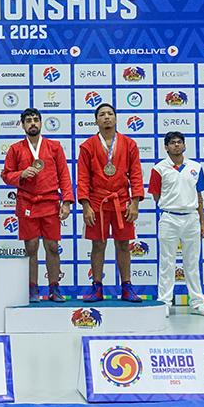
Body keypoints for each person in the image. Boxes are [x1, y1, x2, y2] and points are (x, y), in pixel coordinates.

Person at [1, 108, 73, 303]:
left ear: (41, 123)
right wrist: (21, 174)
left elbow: (64, 175)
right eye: (28, 120)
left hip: (50, 202)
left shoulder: (54, 147)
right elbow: (6, 175)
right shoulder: (15, 149)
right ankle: (32, 288)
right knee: (31, 247)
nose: (32, 123)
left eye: (35, 120)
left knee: (52, 246)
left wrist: (66, 201)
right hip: (27, 202)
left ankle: (54, 288)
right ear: (23, 125)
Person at [77, 103, 144, 303]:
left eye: (110, 114)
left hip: (121, 200)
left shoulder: (129, 144)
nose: (106, 117)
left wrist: (135, 202)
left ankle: (127, 287)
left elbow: (136, 174)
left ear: (115, 118)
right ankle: (97, 287)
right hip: (97, 202)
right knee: (98, 244)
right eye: (102, 114)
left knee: (123, 244)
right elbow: (83, 178)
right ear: (96, 120)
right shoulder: (87, 146)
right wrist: (86, 205)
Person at [149, 132, 204, 317]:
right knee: (167, 262)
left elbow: (199, 196)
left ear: (184, 145)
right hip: (169, 218)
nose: (176, 145)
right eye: (172, 143)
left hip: (191, 218)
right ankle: (164, 302)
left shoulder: (196, 167)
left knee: (192, 262)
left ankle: (198, 303)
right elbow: (156, 195)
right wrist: (171, 205)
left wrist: (202, 222)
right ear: (166, 147)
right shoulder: (158, 169)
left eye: (180, 142)